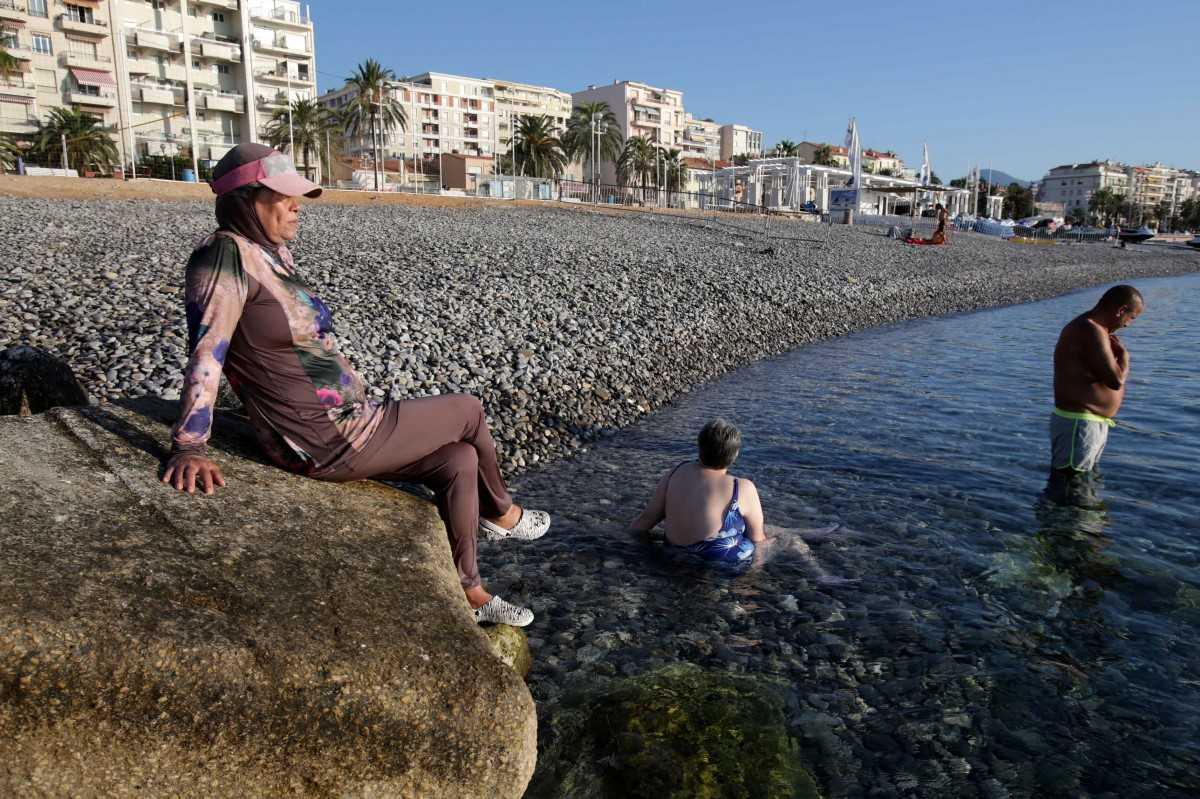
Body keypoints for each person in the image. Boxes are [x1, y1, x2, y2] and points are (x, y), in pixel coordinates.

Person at [160, 143, 548, 627]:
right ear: (246, 199)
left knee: (459, 460)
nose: (297, 205)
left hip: (346, 420)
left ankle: (468, 589)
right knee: (467, 409)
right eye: (283, 196)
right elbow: (207, 351)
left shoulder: (268, 254)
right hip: (323, 436)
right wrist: (189, 443)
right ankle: (504, 515)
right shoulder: (223, 260)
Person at [628, 418, 765, 562]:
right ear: (735, 454)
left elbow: (646, 519)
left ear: (699, 446)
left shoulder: (675, 473)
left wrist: (630, 545)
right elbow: (757, 538)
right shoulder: (742, 487)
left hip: (673, 556)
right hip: (716, 565)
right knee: (780, 538)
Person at [1050, 284, 1144, 476]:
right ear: (1121, 311)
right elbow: (1115, 380)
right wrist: (1125, 358)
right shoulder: (1090, 329)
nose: (1127, 325)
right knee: (1071, 483)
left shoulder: (1096, 330)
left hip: (1086, 423)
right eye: (1131, 318)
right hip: (1079, 424)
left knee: (1081, 485)